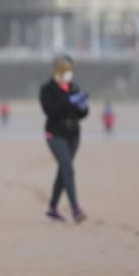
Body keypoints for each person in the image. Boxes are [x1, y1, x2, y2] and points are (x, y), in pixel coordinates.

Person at [39, 55, 89, 223]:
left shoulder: (73, 87)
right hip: (55, 134)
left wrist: (81, 105)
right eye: (67, 71)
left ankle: (52, 208)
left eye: (71, 71)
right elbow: (50, 111)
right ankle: (76, 209)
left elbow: (82, 114)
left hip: (73, 135)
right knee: (67, 167)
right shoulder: (47, 89)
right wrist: (68, 102)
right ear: (58, 70)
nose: (69, 74)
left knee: (64, 170)